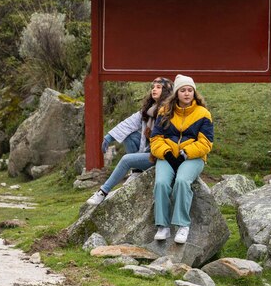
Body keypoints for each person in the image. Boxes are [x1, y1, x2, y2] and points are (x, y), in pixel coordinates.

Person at [86, 77, 173, 206]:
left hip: (161, 156)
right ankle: (137, 171)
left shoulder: (170, 111)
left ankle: (103, 192)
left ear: (167, 91)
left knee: (126, 159)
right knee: (129, 135)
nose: (154, 89)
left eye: (158, 87)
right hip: (150, 151)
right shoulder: (149, 109)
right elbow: (129, 123)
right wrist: (109, 137)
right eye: (153, 87)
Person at [149, 74, 214, 243]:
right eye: (183, 90)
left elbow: (206, 143)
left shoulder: (203, 114)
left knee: (182, 181)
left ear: (194, 92)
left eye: (190, 90)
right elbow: (155, 139)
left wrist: (185, 153)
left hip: (193, 157)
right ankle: (162, 226)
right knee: (161, 183)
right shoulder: (164, 112)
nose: (187, 93)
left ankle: (182, 225)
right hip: (167, 155)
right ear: (176, 93)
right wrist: (167, 154)